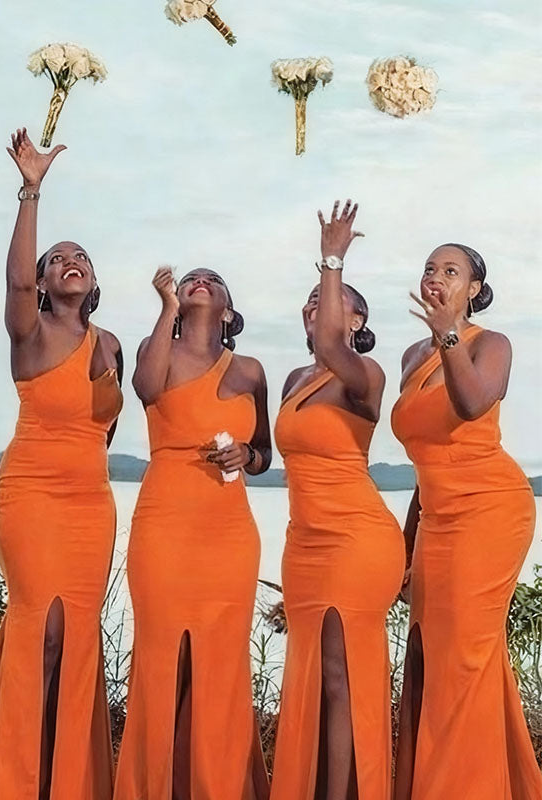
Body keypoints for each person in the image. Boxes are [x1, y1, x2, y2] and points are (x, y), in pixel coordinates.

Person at [0, 128, 123, 800]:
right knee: (41, 630)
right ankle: (16, 782)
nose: (69, 261)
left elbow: (104, 428)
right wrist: (31, 191)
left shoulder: (111, 343)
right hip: (32, 496)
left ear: (95, 282)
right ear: (45, 285)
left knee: (75, 637)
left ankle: (62, 781)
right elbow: (16, 278)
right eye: (57, 259)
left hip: (92, 506)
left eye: (81, 257)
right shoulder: (31, 331)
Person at [114, 266, 271, 799]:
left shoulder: (250, 370)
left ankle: (216, 786)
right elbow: (145, 389)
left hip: (229, 531)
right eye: (191, 279)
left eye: (213, 280)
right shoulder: (155, 346)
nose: (200, 280)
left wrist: (247, 453)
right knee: (163, 658)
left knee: (220, 664)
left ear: (229, 311)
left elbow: (265, 454)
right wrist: (166, 311)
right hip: (165, 522)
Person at [391, 243, 542, 799]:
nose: (436, 276)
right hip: (436, 520)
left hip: (490, 510)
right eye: (429, 268)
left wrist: (449, 335)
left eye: (450, 271)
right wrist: (406, 547)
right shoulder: (411, 357)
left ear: (473, 289)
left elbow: (473, 403)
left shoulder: (490, 344)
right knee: (431, 655)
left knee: (462, 660)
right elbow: (424, 464)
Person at [270, 200, 404, 799]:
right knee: (314, 678)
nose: (314, 306)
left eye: (325, 300)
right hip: (304, 544)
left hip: (356, 539)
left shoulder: (365, 376)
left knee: (339, 673)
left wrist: (332, 259)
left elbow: (329, 343)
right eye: (308, 301)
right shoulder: (295, 381)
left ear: (357, 320)